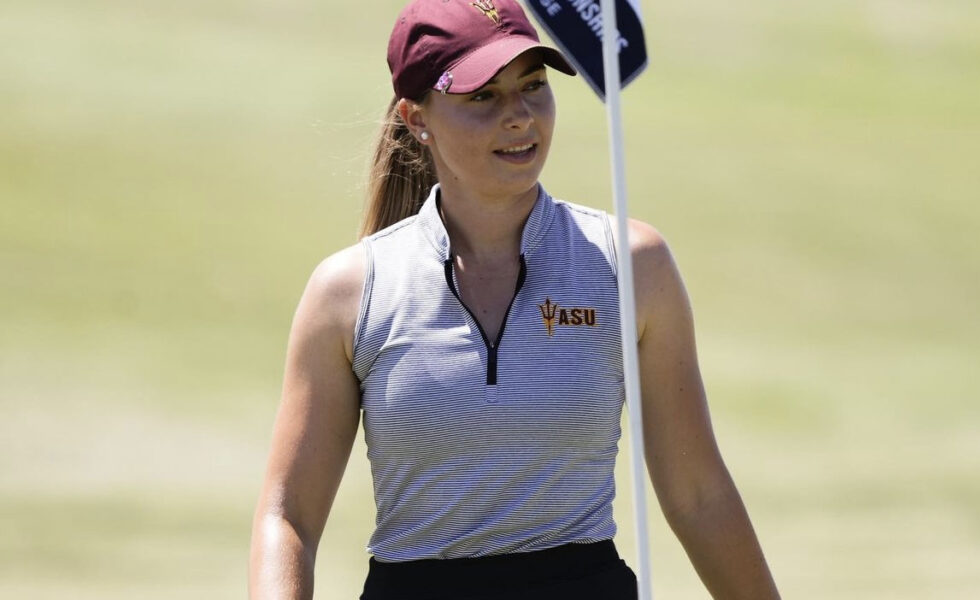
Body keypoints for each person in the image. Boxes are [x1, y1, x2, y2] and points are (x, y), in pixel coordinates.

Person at [249, 1, 781, 598]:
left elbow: (698, 495)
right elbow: (288, 515)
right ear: (416, 117)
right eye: (484, 96)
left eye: (533, 86)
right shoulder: (349, 291)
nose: (521, 116)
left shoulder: (630, 265)